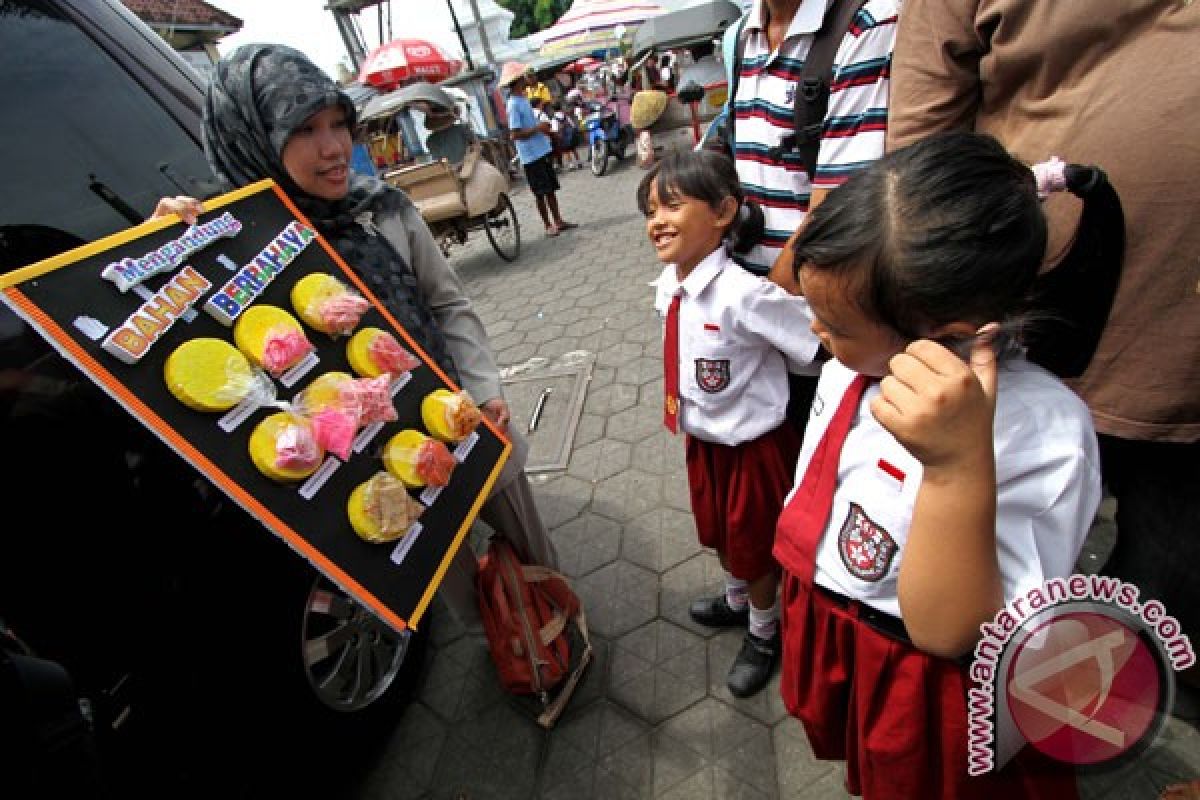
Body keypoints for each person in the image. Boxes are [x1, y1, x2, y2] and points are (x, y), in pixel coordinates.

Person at [154, 44, 559, 629]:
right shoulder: (234, 247)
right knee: (460, 589)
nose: (335, 147)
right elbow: (190, 353)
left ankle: (561, 628)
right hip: (370, 464)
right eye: (306, 129)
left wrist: (483, 387)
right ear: (254, 140)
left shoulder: (383, 210)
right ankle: (508, 649)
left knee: (535, 553)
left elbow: (448, 304)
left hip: (464, 414)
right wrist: (162, 249)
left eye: (339, 123)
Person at [887, 4, 1200, 759]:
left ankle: (1107, 715)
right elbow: (919, 143)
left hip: (1179, 367)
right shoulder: (995, 407)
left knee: (1174, 579)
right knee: (1037, 576)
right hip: (1032, 343)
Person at [774, 132, 1104, 798]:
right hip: (847, 629)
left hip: (928, 684)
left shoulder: (1042, 433)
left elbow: (954, 630)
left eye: (833, 323)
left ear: (950, 333)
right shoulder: (859, 367)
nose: (816, 335)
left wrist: (956, 468)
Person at [639, 150, 820, 697]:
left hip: (753, 450)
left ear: (721, 213)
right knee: (718, 535)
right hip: (705, 442)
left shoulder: (747, 294)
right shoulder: (667, 287)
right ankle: (738, 600)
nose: (657, 222)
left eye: (672, 205)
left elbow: (811, 344)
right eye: (650, 210)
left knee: (756, 547)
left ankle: (765, 633)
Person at [724, 0, 899, 441]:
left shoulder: (865, 22)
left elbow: (838, 207)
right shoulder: (745, 32)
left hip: (819, 323)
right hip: (761, 320)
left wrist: (751, 310)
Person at [497, 61, 578, 237]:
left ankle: (558, 220)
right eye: (523, 77)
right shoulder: (513, 104)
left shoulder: (523, 98)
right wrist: (538, 129)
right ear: (518, 81)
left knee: (550, 189)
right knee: (540, 193)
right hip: (530, 156)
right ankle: (548, 225)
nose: (527, 79)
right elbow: (515, 134)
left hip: (541, 150)